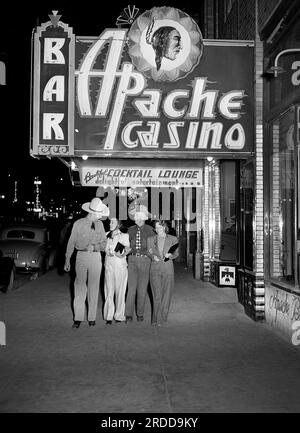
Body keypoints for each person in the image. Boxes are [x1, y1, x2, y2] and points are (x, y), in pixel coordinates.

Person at [64, 197, 109, 328]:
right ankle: (78, 318)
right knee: (79, 286)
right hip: (81, 256)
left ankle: (92, 318)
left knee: (94, 287)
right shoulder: (78, 223)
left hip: (95, 258)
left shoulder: (100, 225)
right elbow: (71, 242)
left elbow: (104, 243)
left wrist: (95, 247)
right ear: (93, 212)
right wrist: (67, 259)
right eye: (99, 214)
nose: (100, 217)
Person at [125, 203, 154, 323]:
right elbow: (126, 245)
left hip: (145, 260)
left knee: (142, 289)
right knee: (131, 289)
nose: (135, 218)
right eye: (135, 216)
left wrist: (151, 254)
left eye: (137, 216)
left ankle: (140, 314)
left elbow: (154, 246)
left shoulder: (151, 230)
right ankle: (128, 315)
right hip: (132, 260)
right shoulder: (130, 230)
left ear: (142, 217)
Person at [147, 220, 179, 326]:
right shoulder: (151, 239)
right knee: (157, 295)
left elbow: (176, 253)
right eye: (156, 228)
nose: (158, 230)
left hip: (168, 269)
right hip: (155, 269)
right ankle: (156, 319)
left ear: (165, 227)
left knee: (167, 295)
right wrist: (152, 256)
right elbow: (149, 251)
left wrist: (170, 256)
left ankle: (162, 317)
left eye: (160, 227)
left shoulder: (173, 239)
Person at [103, 218, 130, 325]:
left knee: (120, 291)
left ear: (118, 224)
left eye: (113, 222)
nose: (110, 224)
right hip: (109, 265)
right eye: (110, 222)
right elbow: (102, 248)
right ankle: (109, 316)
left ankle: (119, 315)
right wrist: (106, 251)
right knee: (109, 290)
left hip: (120, 265)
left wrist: (122, 254)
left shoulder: (124, 235)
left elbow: (128, 249)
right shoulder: (106, 235)